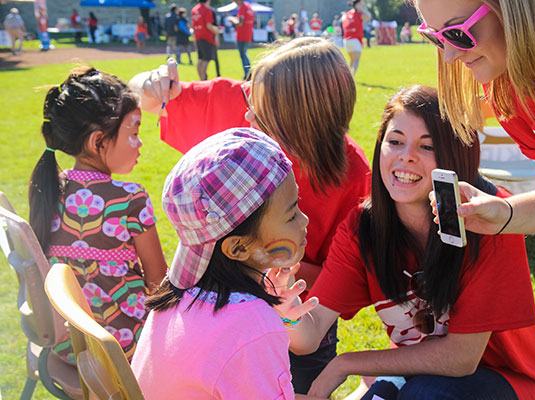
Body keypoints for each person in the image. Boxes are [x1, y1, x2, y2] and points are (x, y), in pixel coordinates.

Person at [272, 85, 535, 400]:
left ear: (456, 156)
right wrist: (287, 308)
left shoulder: (489, 218)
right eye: (395, 142)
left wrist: (345, 363)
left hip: (512, 383)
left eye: (427, 147)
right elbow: (311, 333)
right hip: (421, 376)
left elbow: (462, 358)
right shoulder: (364, 228)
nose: (406, 157)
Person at [129, 37, 371, 394]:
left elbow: (336, 284)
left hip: (297, 316)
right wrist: (150, 85)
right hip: (223, 305)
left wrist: (271, 269)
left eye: (260, 111)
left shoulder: (356, 178)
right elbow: (149, 96)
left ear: (301, 119)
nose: (246, 117)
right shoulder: (249, 110)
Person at [414, 1, 535, 398]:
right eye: (436, 38)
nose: (449, 55)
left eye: (458, 33)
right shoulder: (507, 87)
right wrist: (504, 213)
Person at [131, 128, 325, 399]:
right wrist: (268, 318)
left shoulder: (178, 293)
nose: (304, 221)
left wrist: (279, 315)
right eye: (291, 214)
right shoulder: (254, 325)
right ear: (238, 247)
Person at [29, 66, 168, 362]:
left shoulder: (50, 188)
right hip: (123, 348)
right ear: (98, 141)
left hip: (70, 345)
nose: (140, 142)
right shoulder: (130, 199)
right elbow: (158, 281)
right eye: (133, 132)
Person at [191, 0, 219, 80]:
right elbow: (209, 26)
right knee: (206, 60)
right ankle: (203, 81)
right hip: (206, 38)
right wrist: (217, 31)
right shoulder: (207, 10)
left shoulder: (194, 9)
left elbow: (194, 26)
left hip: (198, 37)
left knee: (200, 59)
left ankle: (201, 79)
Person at [342, 0, 371, 75]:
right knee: (356, 61)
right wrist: (362, 9)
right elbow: (368, 16)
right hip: (355, 39)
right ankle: (351, 78)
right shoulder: (358, 14)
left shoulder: (347, 14)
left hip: (346, 40)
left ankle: (347, 77)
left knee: (352, 60)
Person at [230, 0, 254, 79]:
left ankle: (248, 73)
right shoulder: (248, 6)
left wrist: (232, 20)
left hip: (242, 35)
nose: (235, 2)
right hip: (248, 34)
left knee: (243, 55)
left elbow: (240, 23)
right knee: (244, 54)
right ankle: (248, 72)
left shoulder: (242, 7)